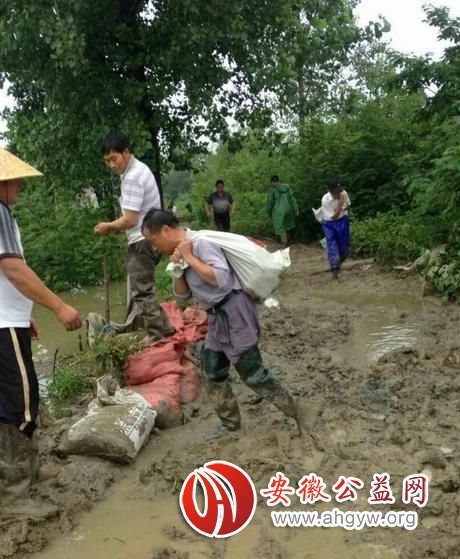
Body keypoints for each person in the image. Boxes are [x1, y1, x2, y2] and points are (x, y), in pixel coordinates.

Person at [0, 140, 83, 501]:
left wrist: (23, 315)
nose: (21, 187)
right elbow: (12, 268)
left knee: (18, 396)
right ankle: (15, 489)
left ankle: (30, 471)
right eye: (17, 180)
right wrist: (59, 307)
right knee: (19, 404)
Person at [141, 209, 307, 442]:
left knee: (253, 374)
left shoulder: (201, 244)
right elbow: (182, 298)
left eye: (153, 240)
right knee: (212, 372)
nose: (154, 247)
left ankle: (296, 411)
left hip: (235, 311)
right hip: (217, 318)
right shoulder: (183, 252)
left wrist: (190, 258)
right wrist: (178, 270)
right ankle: (230, 425)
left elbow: (221, 279)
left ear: (166, 230)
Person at [94, 132, 175, 344]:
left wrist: (108, 226)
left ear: (126, 152)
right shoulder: (138, 171)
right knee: (143, 288)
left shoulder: (132, 177)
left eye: (114, 158)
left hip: (141, 240)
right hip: (148, 237)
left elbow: (130, 220)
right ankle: (164, 327)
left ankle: (158, 335)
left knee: (142, 291)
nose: (111, 165)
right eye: (107, 161)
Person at [321, 179, 351, 279]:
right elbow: (334, 217)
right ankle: (334, 270)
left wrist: (344, 204)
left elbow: (348, 206)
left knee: (345, 249)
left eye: (339, 191)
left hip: (343, 220)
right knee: (332, 246)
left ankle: (338, 264)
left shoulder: (344, 193)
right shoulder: (325, 200)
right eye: (336, 193)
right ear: (330, 191)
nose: (338, 194)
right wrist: (340, 203)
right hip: (330, 223)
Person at [265, 175, 298, 246]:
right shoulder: (287, 187)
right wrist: (296, 209)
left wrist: (268, 212)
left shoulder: (272, 190)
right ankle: (290, 240)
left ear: (272, 182)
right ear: (279, 180)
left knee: (278, 226)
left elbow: (270, 203)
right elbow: (293, 198)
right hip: (289, 209)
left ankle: (282, 243)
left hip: (278, 211)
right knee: (289, 224)